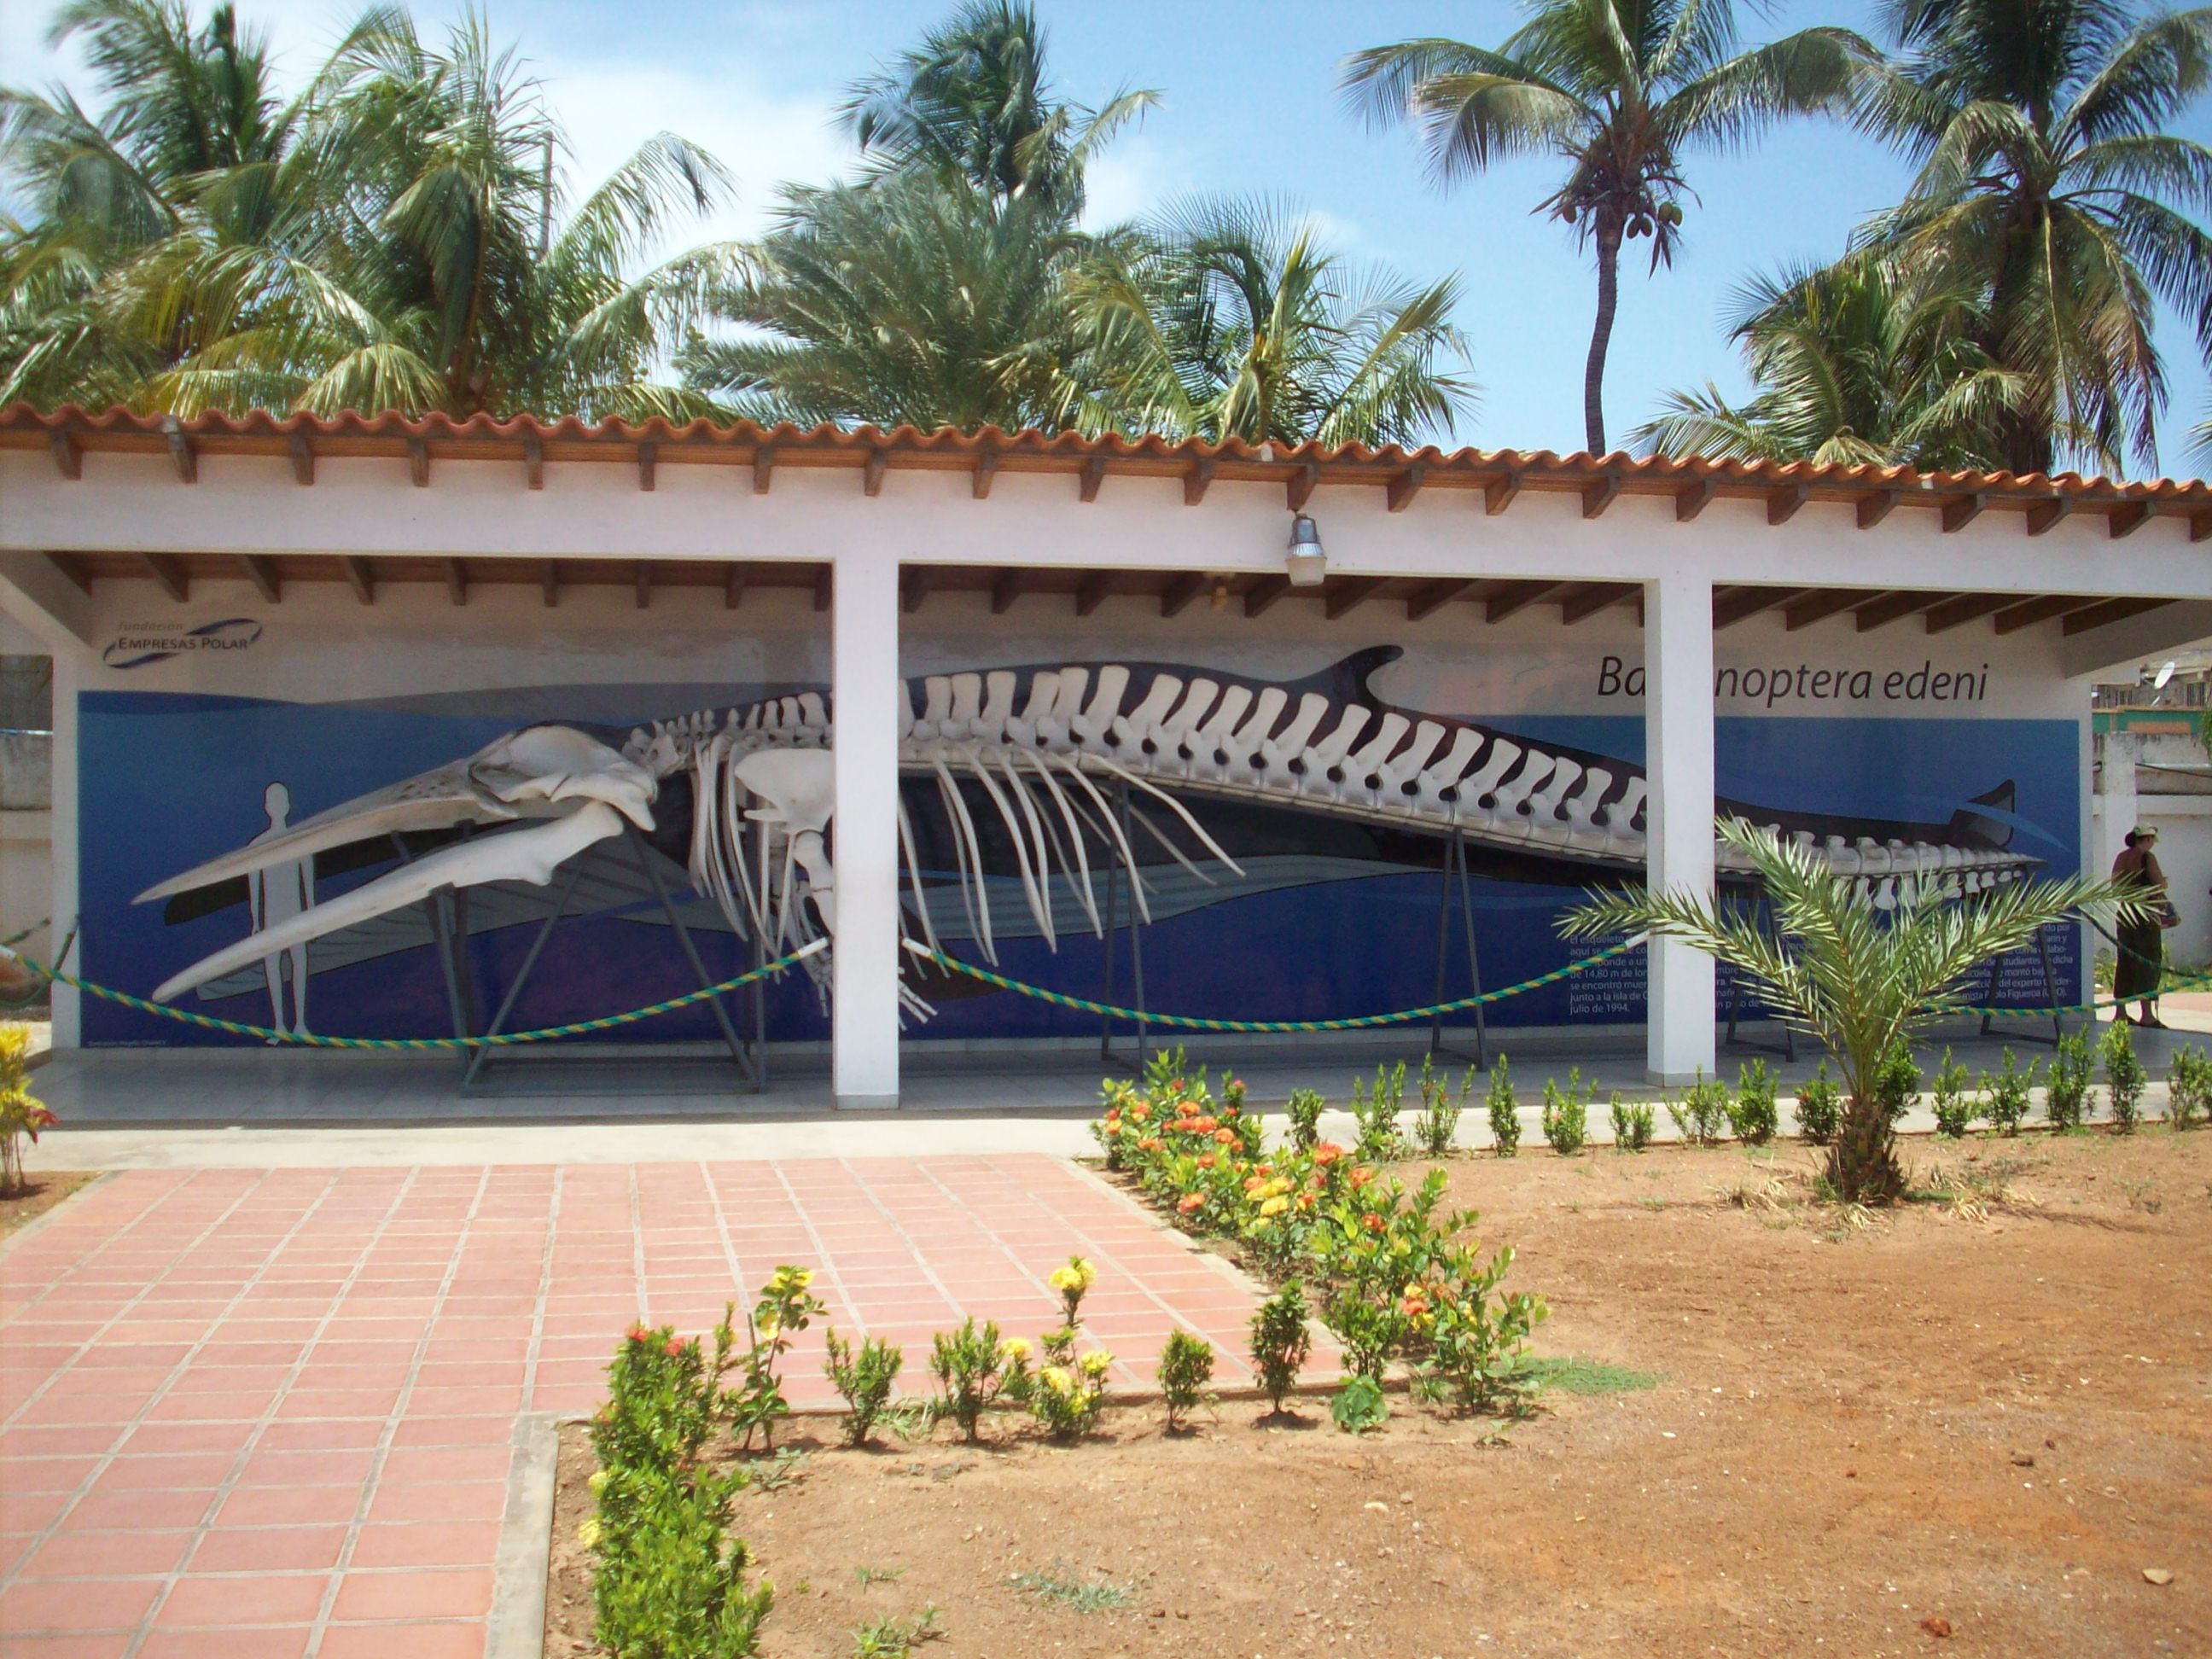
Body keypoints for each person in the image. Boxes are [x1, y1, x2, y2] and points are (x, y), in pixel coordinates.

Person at [2110, 826, 2168, 1028]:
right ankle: (2147, 1015)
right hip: (2145, 918)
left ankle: (2121, 1012)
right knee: (2148, 963)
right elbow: (2159, 883)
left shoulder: (2121, 857)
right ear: (2147, 839)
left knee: (2125, 962)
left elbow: (2115, 885)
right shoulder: (2147, 858)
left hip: (2125, 916)